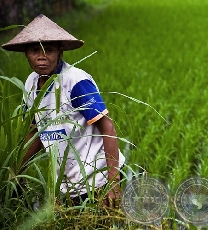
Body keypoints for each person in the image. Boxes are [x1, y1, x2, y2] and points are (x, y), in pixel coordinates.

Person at [2, 14, 125, 208]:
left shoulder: (75, 81)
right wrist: (17, 173)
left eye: (49, 50)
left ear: (60, 51)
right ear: (25, 52)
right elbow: (35, 133)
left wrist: (113, 180)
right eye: (35, 50)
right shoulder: (30, 83)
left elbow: (107, 126)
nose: (42, 56)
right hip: (67, 184)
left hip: (98, 178)